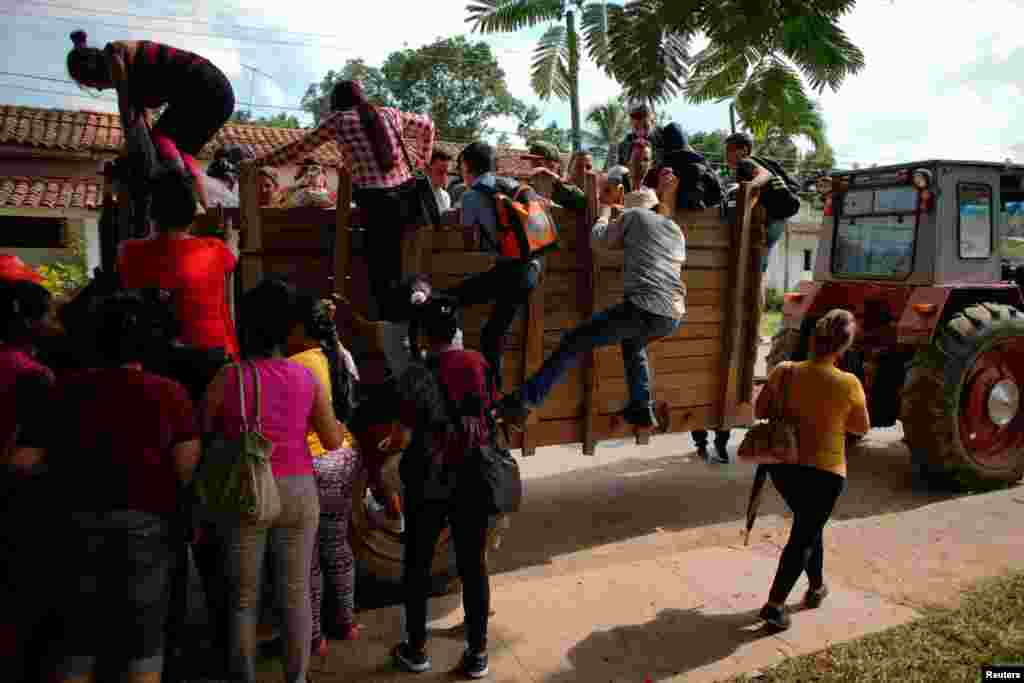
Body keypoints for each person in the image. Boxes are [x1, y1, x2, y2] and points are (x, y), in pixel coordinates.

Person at [26, 291, 201, 683]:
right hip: (147, 526)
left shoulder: (62, 390)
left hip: (72, 525)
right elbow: (184, 466)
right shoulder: (170, 393)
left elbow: (25, 460)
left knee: (75, 642)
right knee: (143, 643)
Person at [202, 278, 345, 683]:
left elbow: (204, 432)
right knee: (295, 594)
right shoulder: (305, 377)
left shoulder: (227, 378)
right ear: (287, 330)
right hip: (299, 489)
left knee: (242, 599)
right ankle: (296, 678)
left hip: (246, 489)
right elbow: (332, 440)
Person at [495, 174, 685, 431]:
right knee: (633, 343)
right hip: (672, 315)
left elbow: (599, 241)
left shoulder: (635, 216)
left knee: (574, 341)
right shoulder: (674, 229)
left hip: (643, 308)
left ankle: (523, 402)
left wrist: (605, 213)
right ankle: (641, 406)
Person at [242, 79, 435, 324]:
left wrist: (259, 162)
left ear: (338, 104)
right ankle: (417, 316)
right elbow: (428, 125)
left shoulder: (340, 121)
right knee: (410, 266)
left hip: (378, 204)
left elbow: (299, 149)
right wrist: (422, 159)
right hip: (409, 199)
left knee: (383, 274)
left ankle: (394, 329)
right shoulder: (389, 113)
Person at [391, 296, 495, 679]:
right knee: (473, 563)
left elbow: (402, 434)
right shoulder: (477, 362)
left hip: (429, 479)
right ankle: (478, 652)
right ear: (455, 330)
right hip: (473, 477)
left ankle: (416, 650)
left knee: (417, 564)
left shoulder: (416, 374)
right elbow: (487, 413)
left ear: (423, 336)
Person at [753, 309, 870, 630]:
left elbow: (760, 409)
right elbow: (861, 428)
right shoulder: (848, 383)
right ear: (843, 347)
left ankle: (816, 588)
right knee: (804, 535)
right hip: (826, 472)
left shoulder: (784, 371)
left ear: (813, 338)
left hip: (784, 467)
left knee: (809, 526)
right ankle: (774, 606)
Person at [66, 30, 235, 210]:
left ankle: (185, 196)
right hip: (216, 91)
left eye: (92, 84)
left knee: (163, 140)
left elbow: (128, 115)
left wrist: (127, 155)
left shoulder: (115, 55)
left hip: (204, 87)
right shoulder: (132, 68)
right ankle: (203, 209)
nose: (99, 90)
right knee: (180, 151)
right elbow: (141, 124)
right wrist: (126, 153)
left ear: (92, 72)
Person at [285, 292, 364, 653]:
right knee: (337, 543)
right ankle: (346, 622)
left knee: (310, 555)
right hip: (344, 457)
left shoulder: (296, 363)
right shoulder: (340, 354)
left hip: (313, 461)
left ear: (300, 327)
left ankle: (315, 636)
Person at [442, 141, 542, 393]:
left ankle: (484, 392)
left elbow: (469, 242)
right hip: (532, 268)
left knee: (449, 300)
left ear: (467, 167)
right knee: (492, 334)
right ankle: (494, 397)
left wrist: (463, 216)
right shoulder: (512, 185)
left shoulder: (471, 196)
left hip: (510, 272)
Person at [118, 171, 241, 360]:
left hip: (154, 356)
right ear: (192, 214)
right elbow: (233, 257)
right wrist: (231, 238)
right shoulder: (214, 248)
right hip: (212, 354)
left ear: (152, 214)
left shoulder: (128, 252)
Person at [724, 132, 786, 276]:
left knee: (754, 270)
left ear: (744, 150)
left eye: (730, 150)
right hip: (778, 220)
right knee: (757, 269)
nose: (726, 155)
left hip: (770, 220)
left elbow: (765, 175)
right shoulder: (754, 163)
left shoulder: (746, 162)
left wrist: (748, 187)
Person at [527, 140, 586, 210]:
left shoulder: (562, 190)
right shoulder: (529, 187)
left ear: (553, 165)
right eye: (532, 161)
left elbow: (582, 201)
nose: (533, 166)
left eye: (537, 163)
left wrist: (554, 178)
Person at [618, 101, 663, 172]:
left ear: (653, 123)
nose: (641, 133)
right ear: (631, 126)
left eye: (646, 127)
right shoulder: (625, 144)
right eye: (636, 128)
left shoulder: (664, 136)